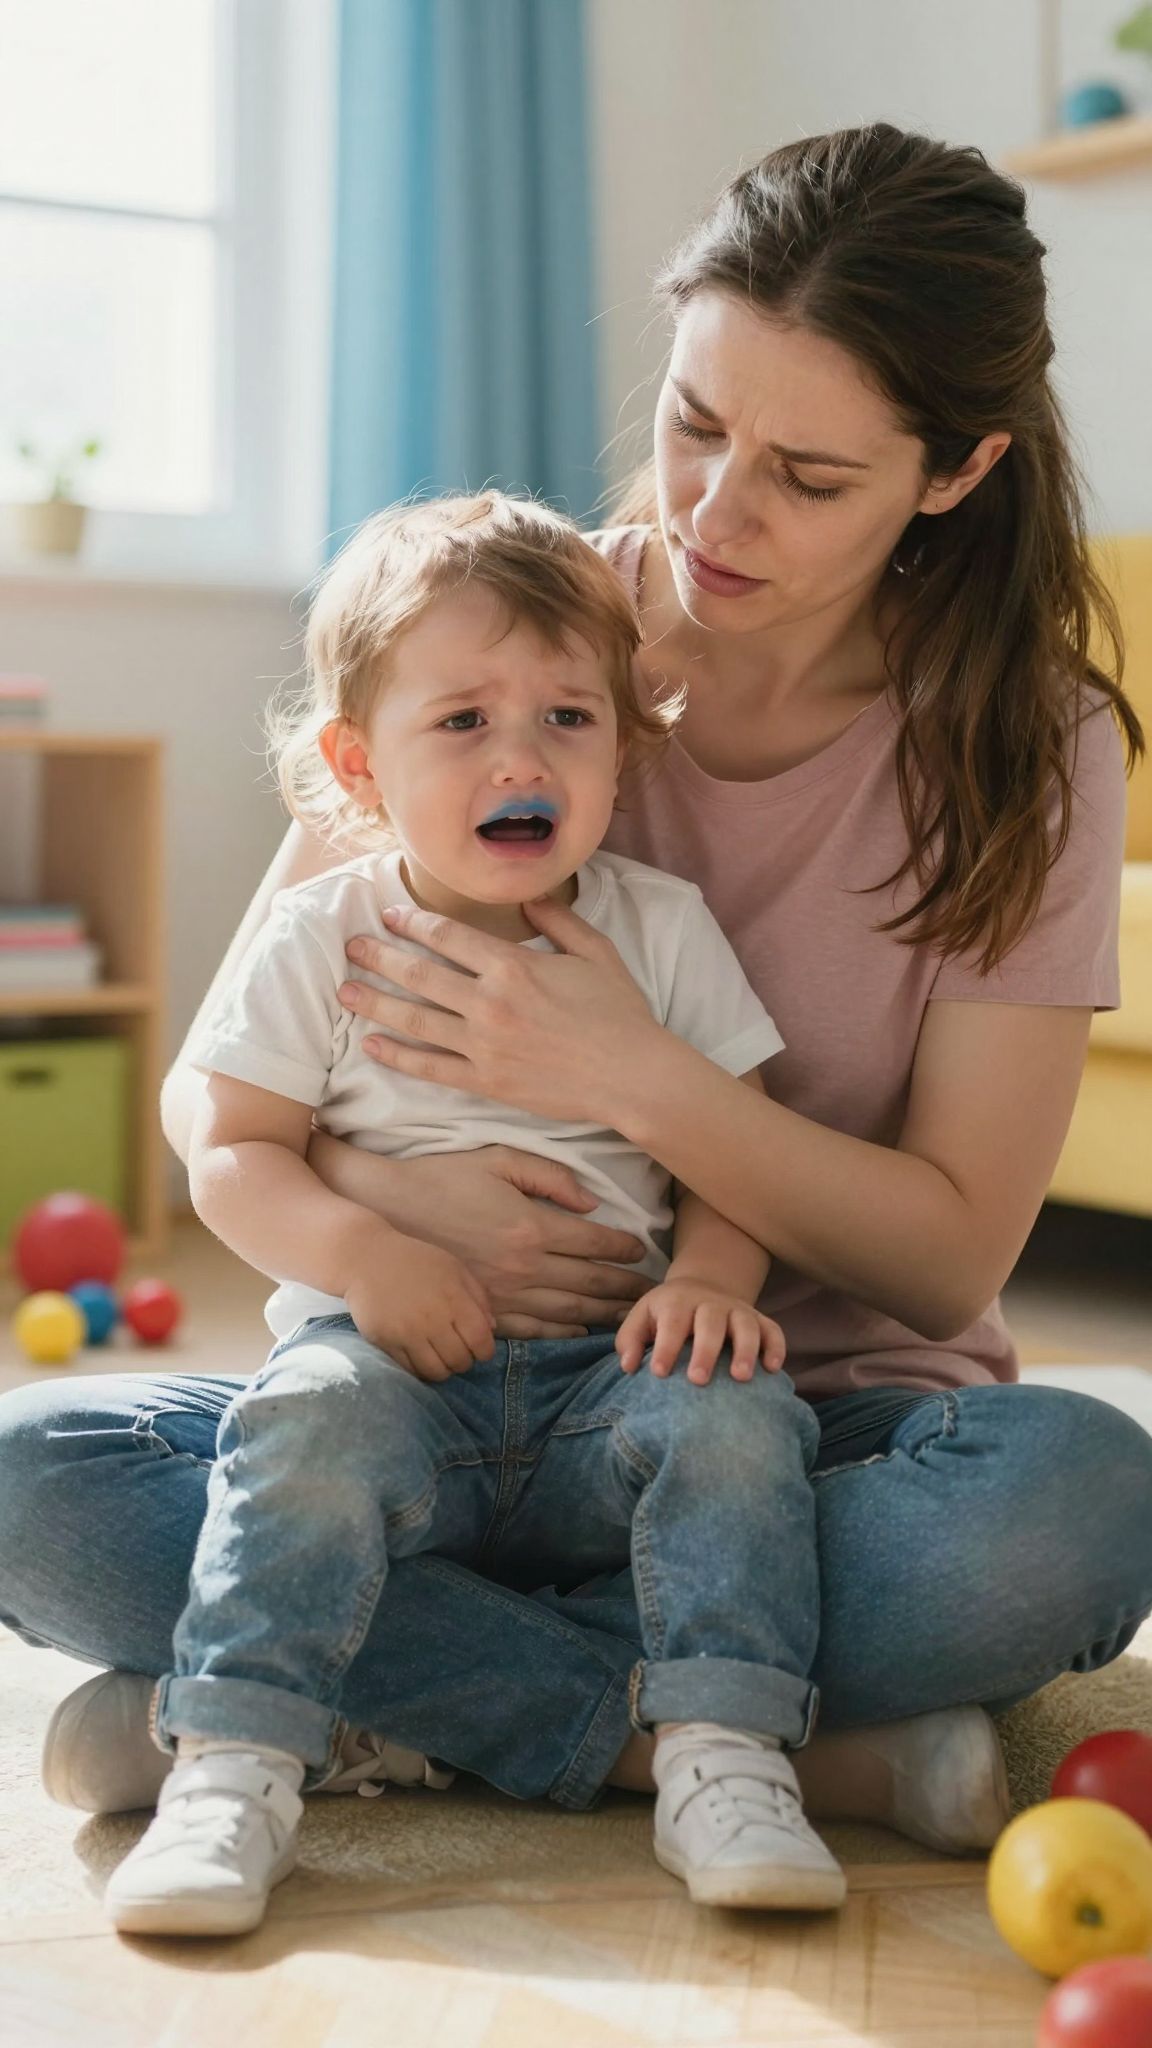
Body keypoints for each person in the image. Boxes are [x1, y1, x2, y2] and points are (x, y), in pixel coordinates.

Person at [3, 121, 1151, 1885]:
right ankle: (701, 1737)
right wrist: (392, 1214)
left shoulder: (1032, 749)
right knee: (29, 1471)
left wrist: (633, 1077)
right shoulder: (506, 634)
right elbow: (222, 1089)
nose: (712, 514)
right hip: (420, 1392)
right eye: (695, 426)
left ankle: (320, 1690)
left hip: (779, 1427)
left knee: (1074, 1507)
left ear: (955, 469)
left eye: (809, 475)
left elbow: (945, 1262)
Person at [102, 489, 841, 1937]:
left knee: (746, 1419)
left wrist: (709, 1278)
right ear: (355, 766)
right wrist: (365, 1254)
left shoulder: (663, 929)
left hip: (604, 1387)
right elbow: (234, 1152)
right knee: (288, 1428)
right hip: (386, 1379)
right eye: (463, 723)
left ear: (626, 749)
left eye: (570, 718)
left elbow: (733, 1160)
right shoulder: (322, 936)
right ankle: (236, 1762)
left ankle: (723, 1756)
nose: (523, 755)